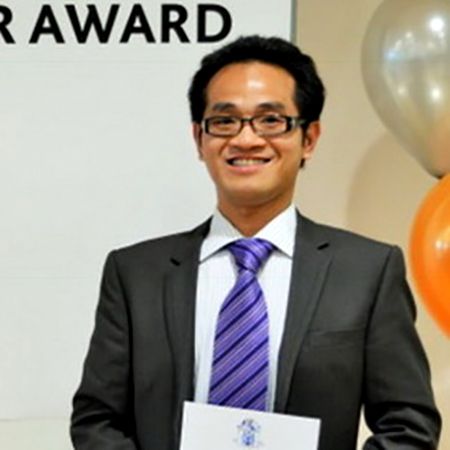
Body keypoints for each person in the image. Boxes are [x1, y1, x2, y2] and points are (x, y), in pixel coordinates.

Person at [71, 35, 441, 450]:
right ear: (199, 139)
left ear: (309, 138)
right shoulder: (135, 274)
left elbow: (408, 425)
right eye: (224, 121)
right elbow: (96, 420)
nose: (246, 140)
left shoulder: (366, 271)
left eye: (271, 120)